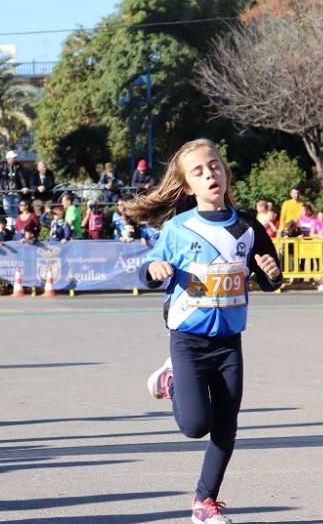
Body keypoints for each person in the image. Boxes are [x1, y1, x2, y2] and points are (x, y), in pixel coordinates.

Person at [127, 139, 281, 524]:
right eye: (198, 171)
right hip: (189, 342)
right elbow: (146, 270)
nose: (209, 174)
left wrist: (273, 274)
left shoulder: (248, 227)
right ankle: (171, 380)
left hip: (229, 343)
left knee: (226, 428)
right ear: (187, 186)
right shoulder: (179, 229)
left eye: (214, 166)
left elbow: (268, 275)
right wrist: (154, 271)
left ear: (225, 171)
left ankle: (204, 502)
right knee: (196, 426)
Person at [0, 150, 28, 220]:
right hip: (6, 192)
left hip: (16, 191)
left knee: (16, 208)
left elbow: (21, 177)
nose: (15, 159)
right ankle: (13, 220)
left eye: (15, 158)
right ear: (8, 158)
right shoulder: (2, 166)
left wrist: (24, 186)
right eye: (13, 158)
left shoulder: (18, 166)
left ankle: (13, 222)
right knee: (7, 207)